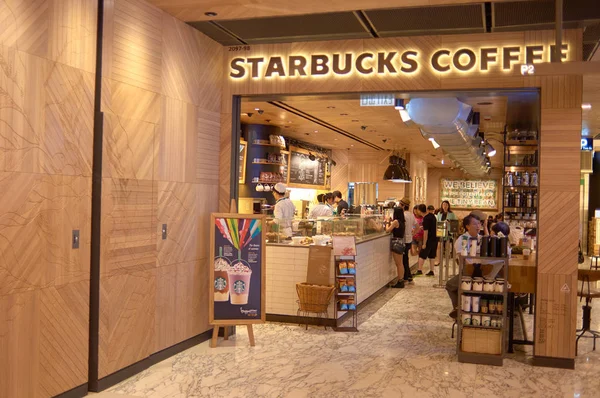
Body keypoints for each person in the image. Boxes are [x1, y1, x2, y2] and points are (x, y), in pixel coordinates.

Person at [445, 217, 510, 319]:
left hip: (481, 273)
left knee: (452, 285)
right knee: (452, 284)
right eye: (475, 224)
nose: (478, 226)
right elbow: (462, 258)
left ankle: (461, 308)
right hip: (472, 271)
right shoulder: (463, 239)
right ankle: (459, 308)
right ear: (467, 226)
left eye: (479, 224)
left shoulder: (482, 238)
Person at [386, 207, 406, 288]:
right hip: (401, 242)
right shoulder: (402, 222)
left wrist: (387, 222)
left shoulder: (395, 221)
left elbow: (388, 230)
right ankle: (401, 280)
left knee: (398, 264)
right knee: (401, 263)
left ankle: (400, 281)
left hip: (396, 243)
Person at [415, 204, 437, 276]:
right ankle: (432, 270)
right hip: (435, 238)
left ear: (419, 210)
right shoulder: (432, 216)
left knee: (422, 254)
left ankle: (419, 270)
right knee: (432, 255)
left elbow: (426, 232)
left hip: (429, 239)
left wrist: (424, 243)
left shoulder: (426, 218)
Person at [435, 200, 457, 266]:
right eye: (443, 204)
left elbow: (455, 222)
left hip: (448, 231)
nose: (445, 206)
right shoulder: (439, 213)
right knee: (439, 246)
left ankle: (447, 262)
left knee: (447, 247)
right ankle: (438, 260)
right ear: (442, 206)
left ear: (448, 206)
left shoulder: (451, 214)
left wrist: (449, 221)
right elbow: (437, 222)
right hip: (441, 230)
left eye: (446, 205)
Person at [400, 197, 415, 283]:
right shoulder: (411, 215)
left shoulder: (403, 215)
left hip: (404, 239)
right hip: (409, 239)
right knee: (406, 258)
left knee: (404, 259)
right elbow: (416, 227)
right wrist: (413, 233)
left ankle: (406, 276)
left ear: (402, 206)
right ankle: (408, 275)